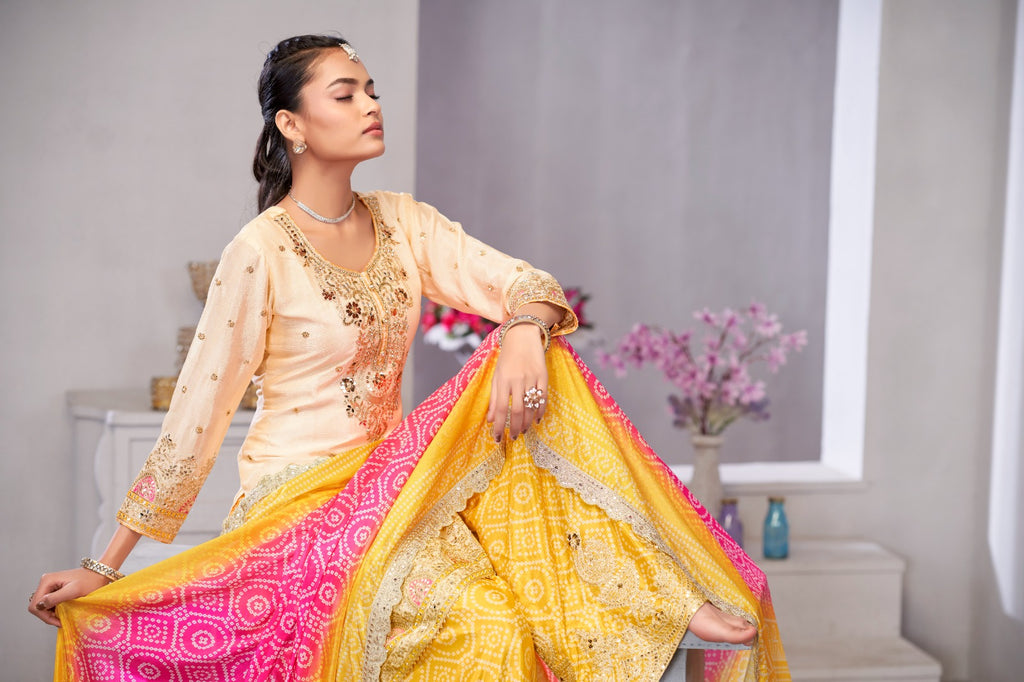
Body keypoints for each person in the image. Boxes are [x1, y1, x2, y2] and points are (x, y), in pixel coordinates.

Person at [30, 34, 788, 681]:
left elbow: (530, 285)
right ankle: (656, 595)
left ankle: (654, 589)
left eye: (371, 90)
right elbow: (195, 419)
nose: (370, 105)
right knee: (490, 626)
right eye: (345, 94)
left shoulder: (403, 223)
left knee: (535, 362)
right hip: (302, 502)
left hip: (400, 490)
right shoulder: (259, 250)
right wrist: (105, 566)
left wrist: (523, 330)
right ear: (292, 124)